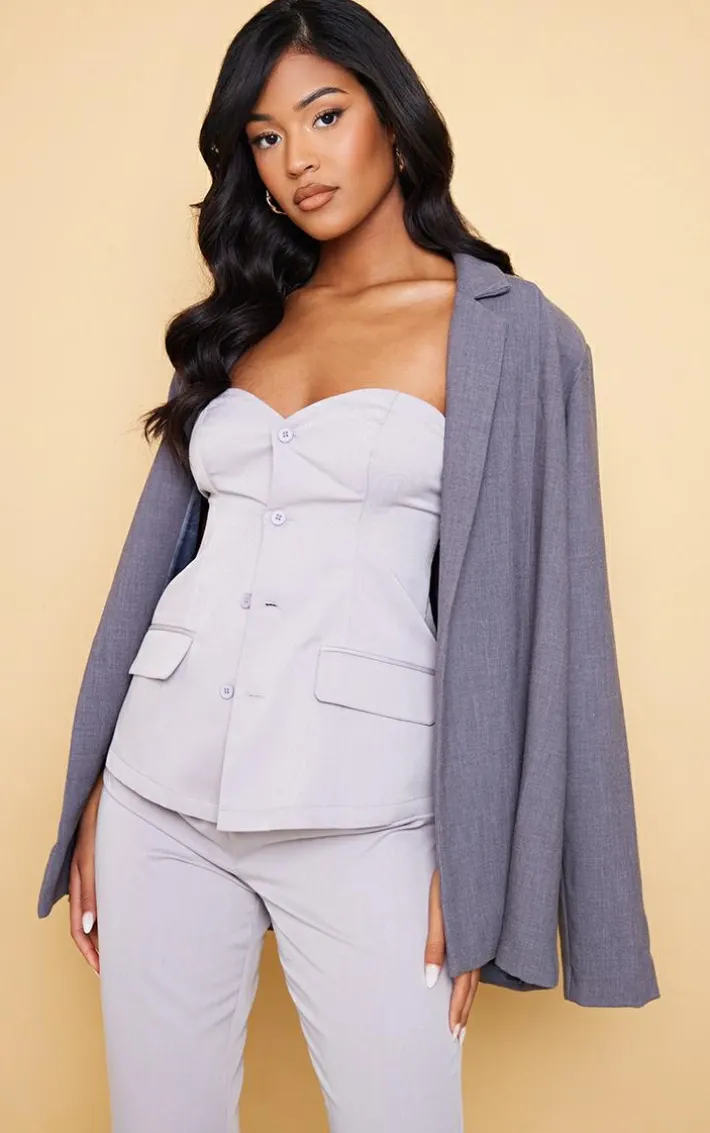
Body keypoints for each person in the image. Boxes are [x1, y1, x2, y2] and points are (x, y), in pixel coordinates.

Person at [37, 1, 660, 1130]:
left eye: (324, 115)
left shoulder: (511, 333)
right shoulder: (243, 320)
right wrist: (94, 798)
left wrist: (481, 855)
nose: (298, 159)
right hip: (158, 795)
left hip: (370, 811)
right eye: (266, 137)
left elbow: (552, 614)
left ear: (394, 117)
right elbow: (163, 565)